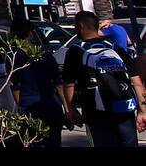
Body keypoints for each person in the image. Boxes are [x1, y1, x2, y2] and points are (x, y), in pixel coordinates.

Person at [60, 10, 146, 148]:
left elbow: (69, 85)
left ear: (80, 26)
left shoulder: (76, 51)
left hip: (95, 114)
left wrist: (71, 110)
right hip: (124, 111)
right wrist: (142, 111)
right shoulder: (116, 48)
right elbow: (137, 82)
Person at [8, 18, 65, 147]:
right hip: (52, 104)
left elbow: (15, 87)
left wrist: (20, 107)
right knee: (54, 141)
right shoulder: (45, 54)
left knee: (33, 141)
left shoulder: (13, 57)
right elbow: (58, 83)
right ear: (31, 33)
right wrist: (67, 109)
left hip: (29, 106)